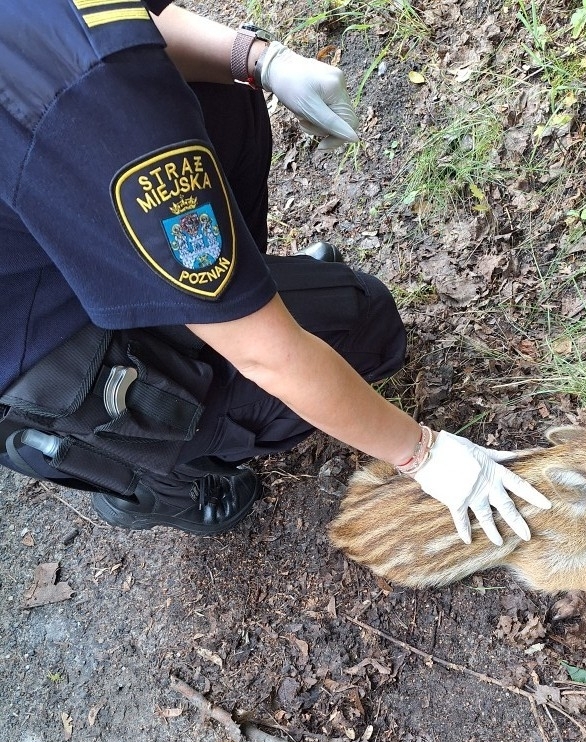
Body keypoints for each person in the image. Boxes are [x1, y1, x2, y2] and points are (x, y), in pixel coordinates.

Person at [0, 1, 550, 548]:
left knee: (226, 92)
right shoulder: (102, 109)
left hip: (37, 232)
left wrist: (262, 61)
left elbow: (120, 21)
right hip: (56, 351)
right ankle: (154, 481)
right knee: (365, 322)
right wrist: (425, 455)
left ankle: (228, 299)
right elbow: (269, 356)